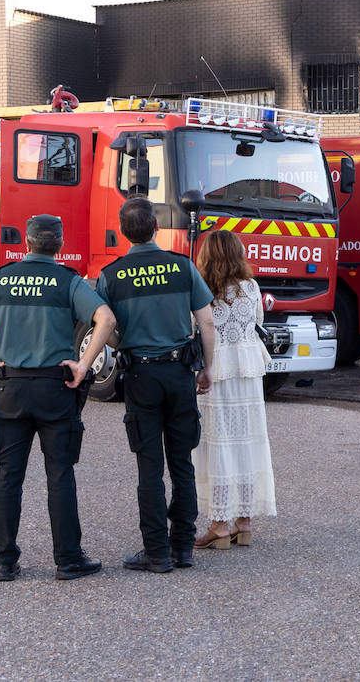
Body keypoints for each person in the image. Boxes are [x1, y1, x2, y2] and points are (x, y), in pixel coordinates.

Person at [0, 215, 116, 582]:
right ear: (59, 243)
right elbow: (105, 318)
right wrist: (84, 364)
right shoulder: (67, 281)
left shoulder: (1, 278)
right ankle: (68, 559)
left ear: (26, 242)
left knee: (9, 476)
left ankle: (5, 562)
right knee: (60, 474)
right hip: (56, 389)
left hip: (10, 388)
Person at [96, 196, 215, 573]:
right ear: (156, 228)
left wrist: (123, 342)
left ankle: (156, 552)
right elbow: (207, 322)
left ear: (122, 230)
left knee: (149, 466)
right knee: (182, 463)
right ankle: (183, 547)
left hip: (141, 375)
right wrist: (207, 369)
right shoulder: (181, 267)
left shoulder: (113, 274)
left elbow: (106, 326)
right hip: (180, 373)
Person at [191, 229, 277, 550]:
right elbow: (258, 321)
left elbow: (196, 328)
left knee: (219, 445)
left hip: (217, 370)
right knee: (247, 442)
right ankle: (244, 521)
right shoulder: (251, 287)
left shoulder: (202, 289)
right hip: (248, 373)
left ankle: (219, 525)